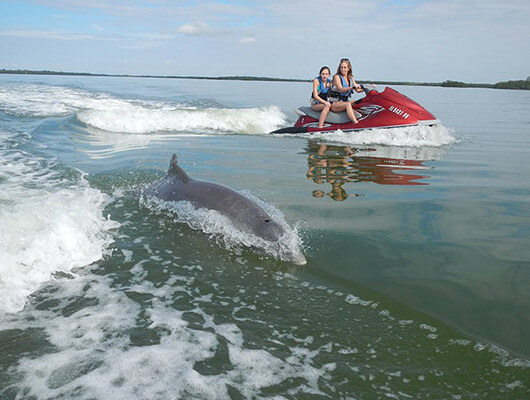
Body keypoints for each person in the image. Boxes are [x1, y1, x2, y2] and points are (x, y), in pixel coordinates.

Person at [329, 58, 363, 123]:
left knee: (360, 101)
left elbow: (357, 90)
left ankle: (365, 119)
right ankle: (356, 123)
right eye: (341, 67)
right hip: (334, 103)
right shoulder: (336, 77)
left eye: (345, 67)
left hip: (344, 102)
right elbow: (340, 89)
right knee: (348, 104)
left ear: (348, 68)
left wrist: (368, 87)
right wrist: (351, 87)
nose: (343, 69)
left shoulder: (351, 77)